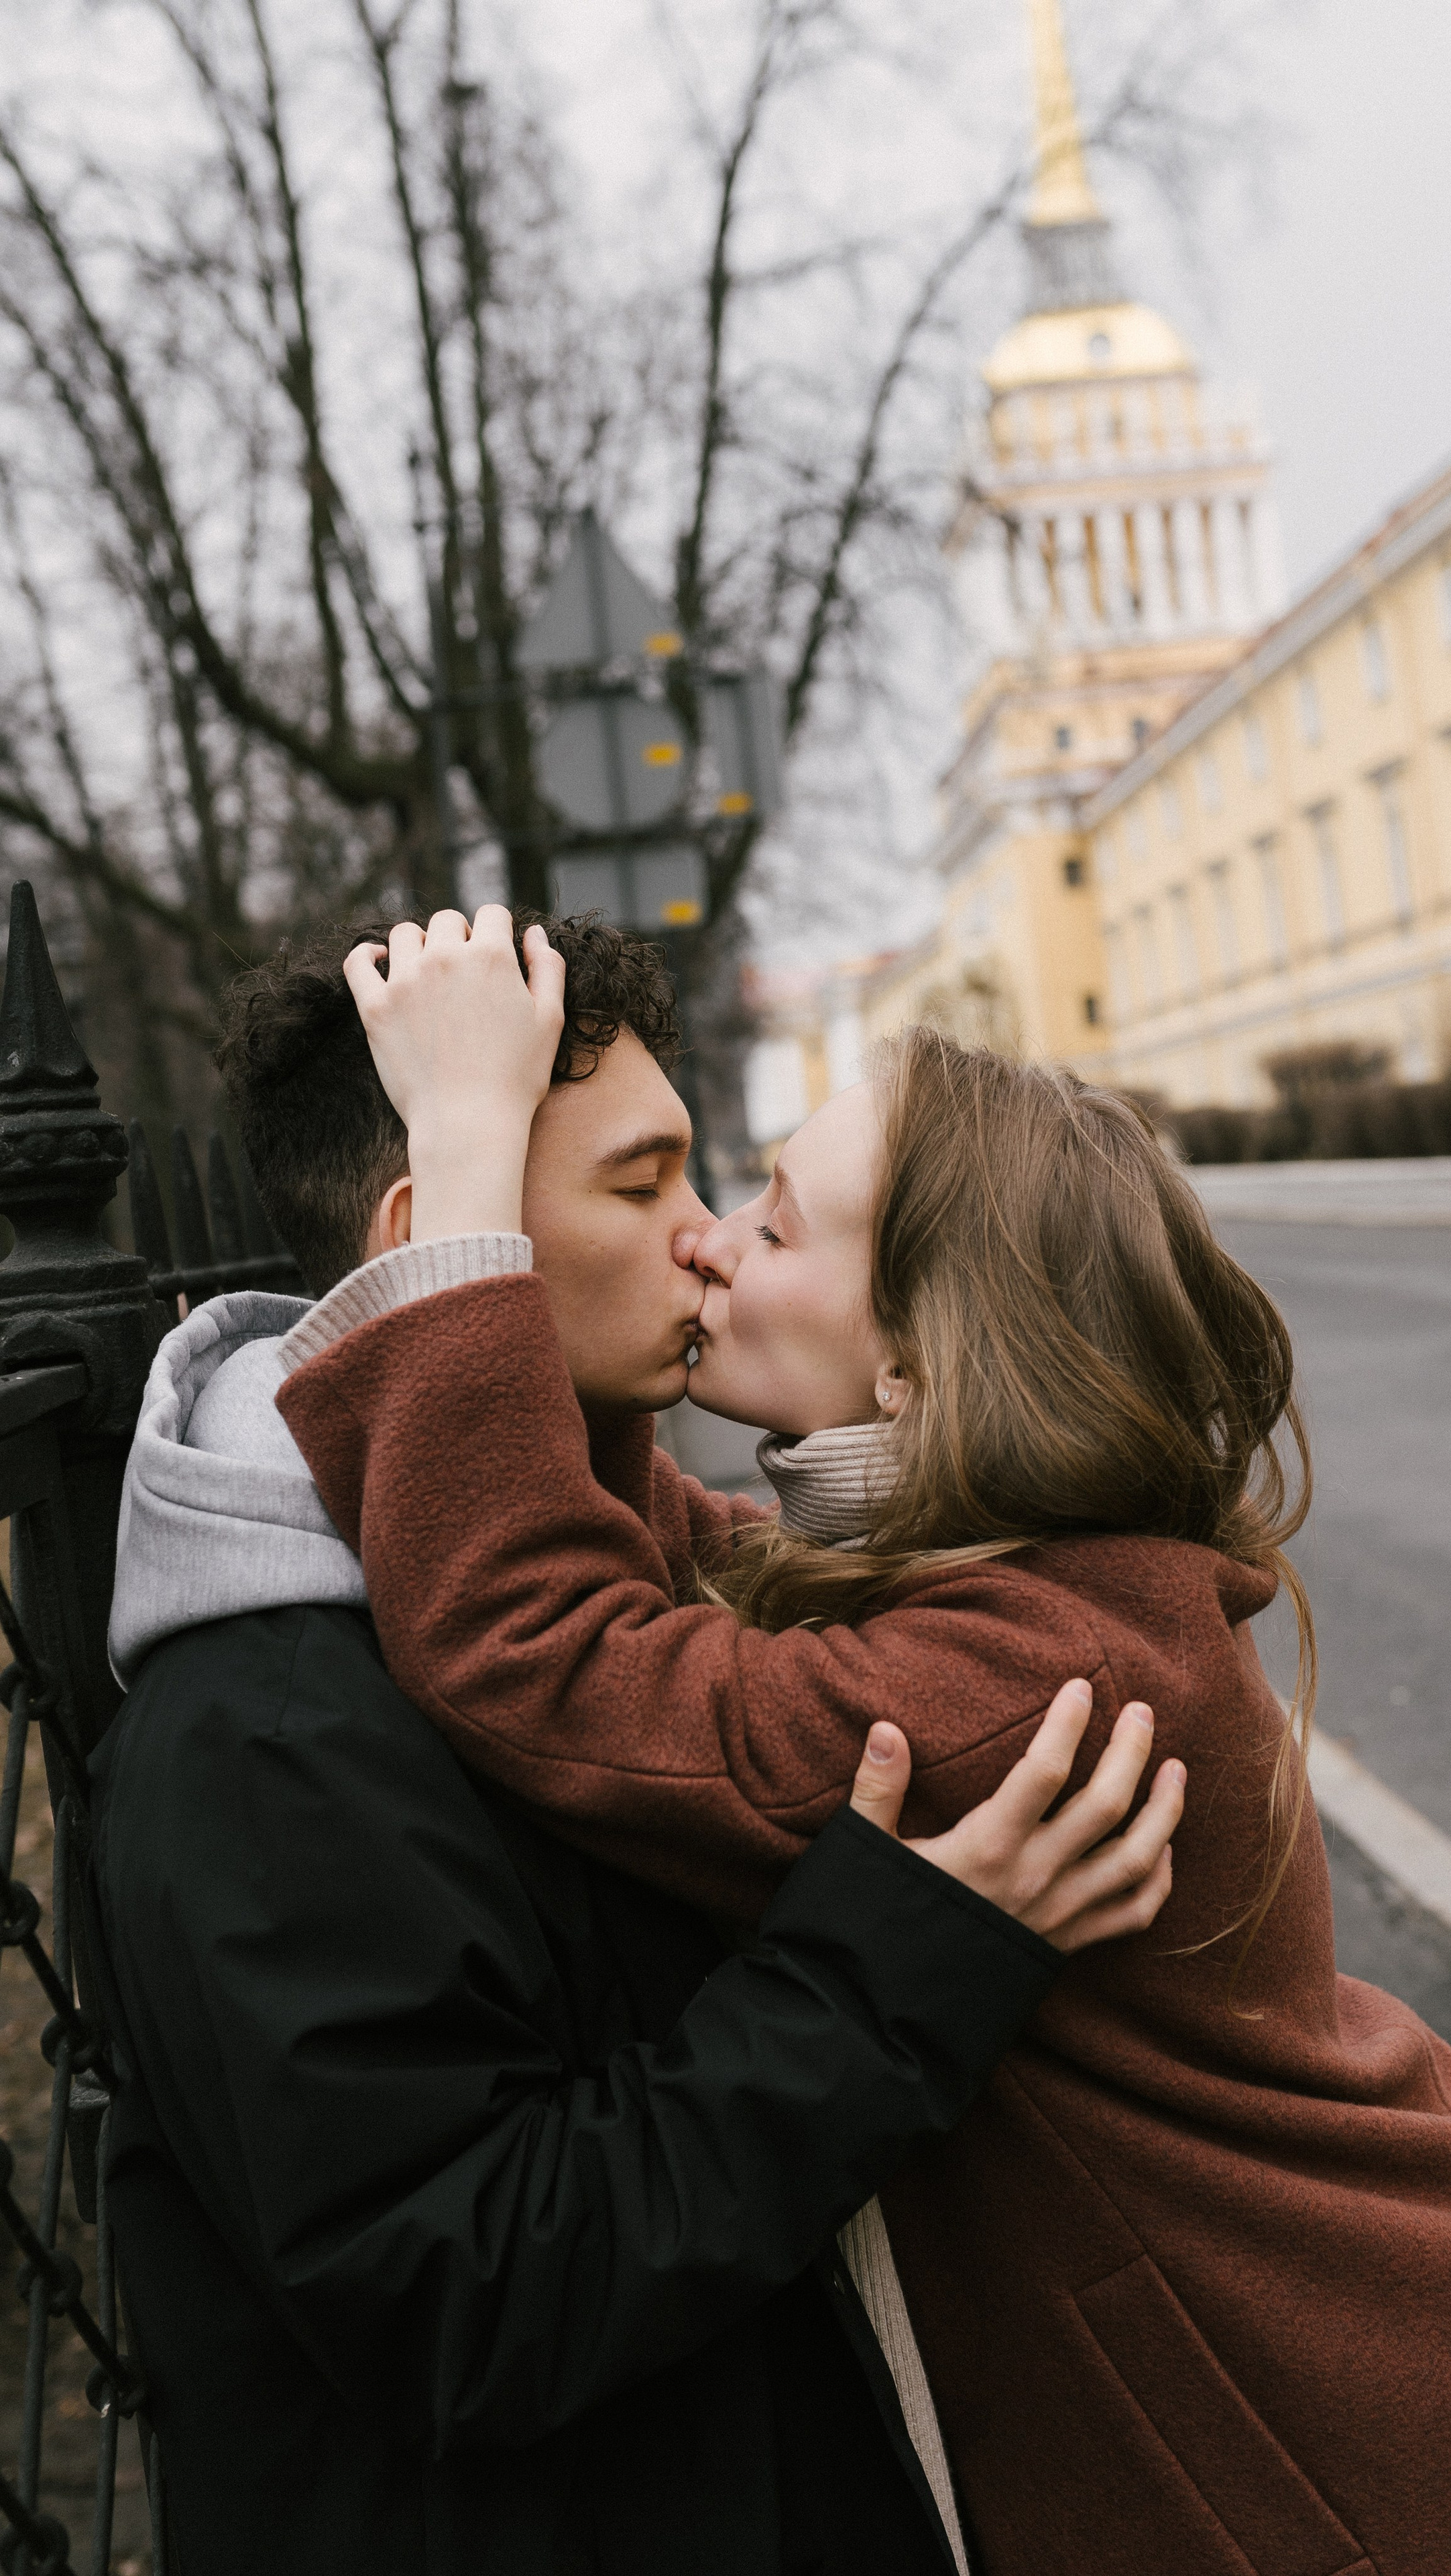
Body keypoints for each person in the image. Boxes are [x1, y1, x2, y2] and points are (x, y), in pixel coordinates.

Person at [276, 905, 1451, 2576]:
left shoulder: (1018, 1691)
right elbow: (640, 1545)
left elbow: (542, 1643)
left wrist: (464, 1176)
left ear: (912, 1357)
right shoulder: (1007, 1586)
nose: (710, 1245)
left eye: (776, 1221)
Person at [88, 912, 1187, 2576]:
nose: (705, 1242)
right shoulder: (268, 1727)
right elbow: (468, 2294)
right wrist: (889, 1976)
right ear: (434, 1236)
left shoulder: (615, 1568)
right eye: (640, 1184)